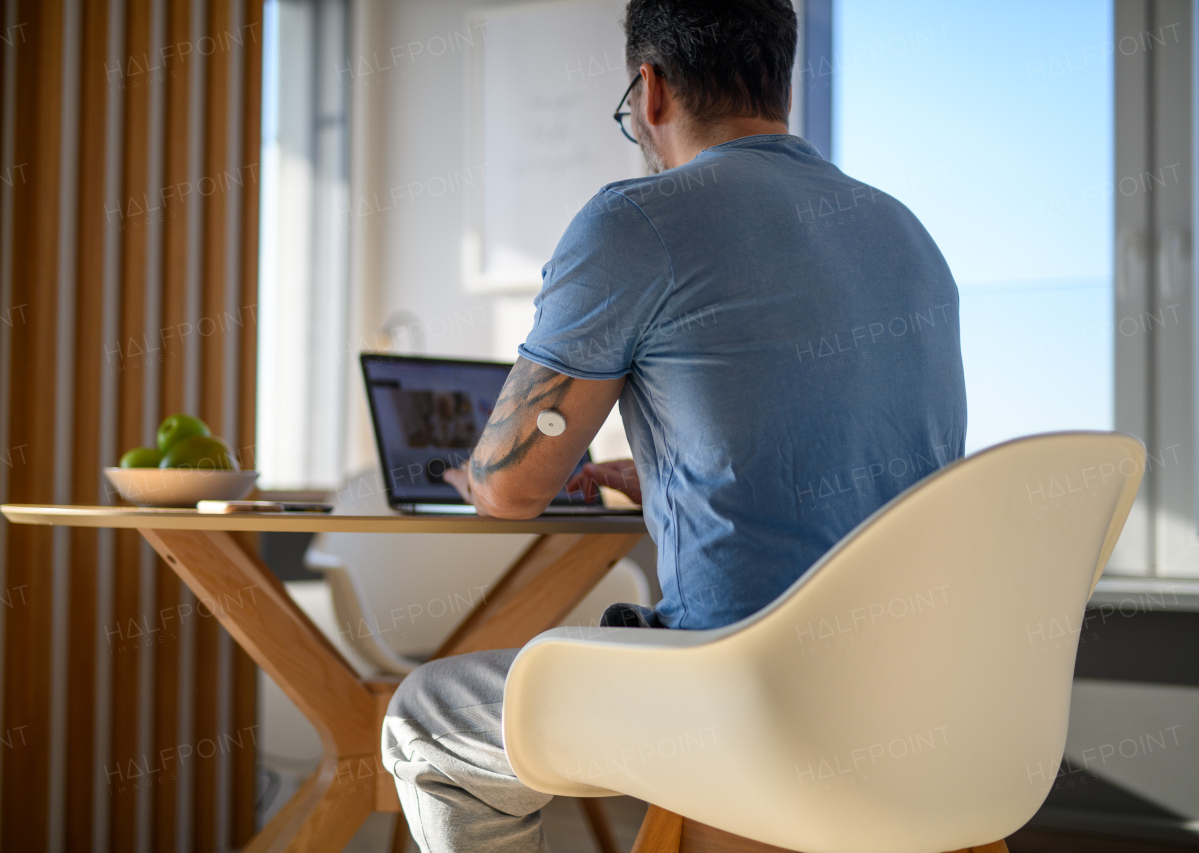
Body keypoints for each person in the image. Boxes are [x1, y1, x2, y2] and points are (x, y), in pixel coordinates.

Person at [380, 0, 967, 849]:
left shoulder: (633, 219)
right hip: (920, 703)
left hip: (740, 700)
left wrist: (482, 474)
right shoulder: (906, 231)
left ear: (649, 91)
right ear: (781, 84)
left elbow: (509, 491)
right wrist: (663, 474)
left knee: (422, 717)